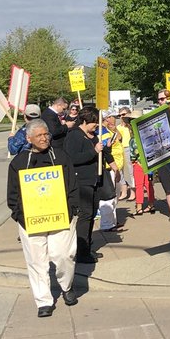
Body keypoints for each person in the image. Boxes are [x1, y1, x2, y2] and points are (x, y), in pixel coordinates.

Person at [7, 119, 80, 316]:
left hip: (61, 217)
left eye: (46, 134)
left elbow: (72, 184)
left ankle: (66, 287)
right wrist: (19, 215)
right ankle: (43, 301)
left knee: (64, 254)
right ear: (29, 138)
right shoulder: (19, 162)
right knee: (37, 261)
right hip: (31, 222)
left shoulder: (61, 156)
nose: (44, 138)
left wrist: (72, 209)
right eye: (39, 135)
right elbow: (13, 194)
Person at [62, 106, 107, 264]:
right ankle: (81, 252)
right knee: (85, 215)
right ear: (85, 120)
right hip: (81, 181)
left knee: (92, 214)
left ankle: (87, 247)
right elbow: (72, 158)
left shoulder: (91, 136)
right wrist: (93, 152)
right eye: (94, 122)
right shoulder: (74, 136)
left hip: (93, 180)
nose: (96, 125)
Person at [153, 89, 170, 221]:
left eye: (163, 99)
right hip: (162, 155)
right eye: (159, 99)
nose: (160, 101)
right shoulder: (154, 116)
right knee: (168, 184)